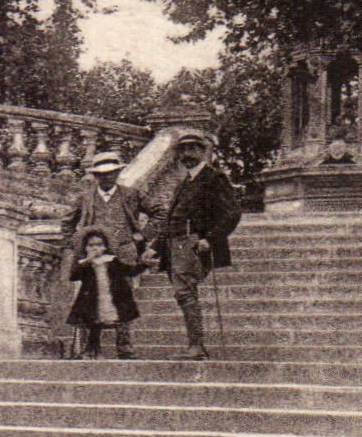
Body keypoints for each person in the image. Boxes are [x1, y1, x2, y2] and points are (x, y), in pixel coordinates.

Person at [150, 132, 240, 360]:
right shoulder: (185, 181)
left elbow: (232, 213)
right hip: (174, 244)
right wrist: (156, 246)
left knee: (185, 292)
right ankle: (195, 345)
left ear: (203, 152)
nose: (187, 154)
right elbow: (172, 218)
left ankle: (196, 346)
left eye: (193, 149)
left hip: (191, 244)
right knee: (183, 293)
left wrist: (209, 239)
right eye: (183, 150)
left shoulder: (214, 178)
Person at [60, 149, 147, 357]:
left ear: (118, 173)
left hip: (123, 254)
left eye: (112, 172)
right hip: (95, 257)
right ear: (95, 176)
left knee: (123, 298)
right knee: (92, 299)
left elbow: (160, 212)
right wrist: (77, 244)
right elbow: (67, 223)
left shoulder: (131, 194)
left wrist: (143, 235)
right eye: (102, 173)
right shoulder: (85, 198)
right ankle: (91, 346)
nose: (107, 177)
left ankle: (124, 345)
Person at [68, 230, 141, 358]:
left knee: (122, 323)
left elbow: (130, 271)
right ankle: (92, 350)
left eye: (99, 244)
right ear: (85, 248)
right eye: (91, 245)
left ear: (105, 246)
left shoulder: (112, 260)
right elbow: (74, 276)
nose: (95, 248)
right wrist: (88, 261)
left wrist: (144, 264)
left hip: (115, 298)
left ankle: (125, 350)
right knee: (94, 323)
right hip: (93, 299)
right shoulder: (84, 263)